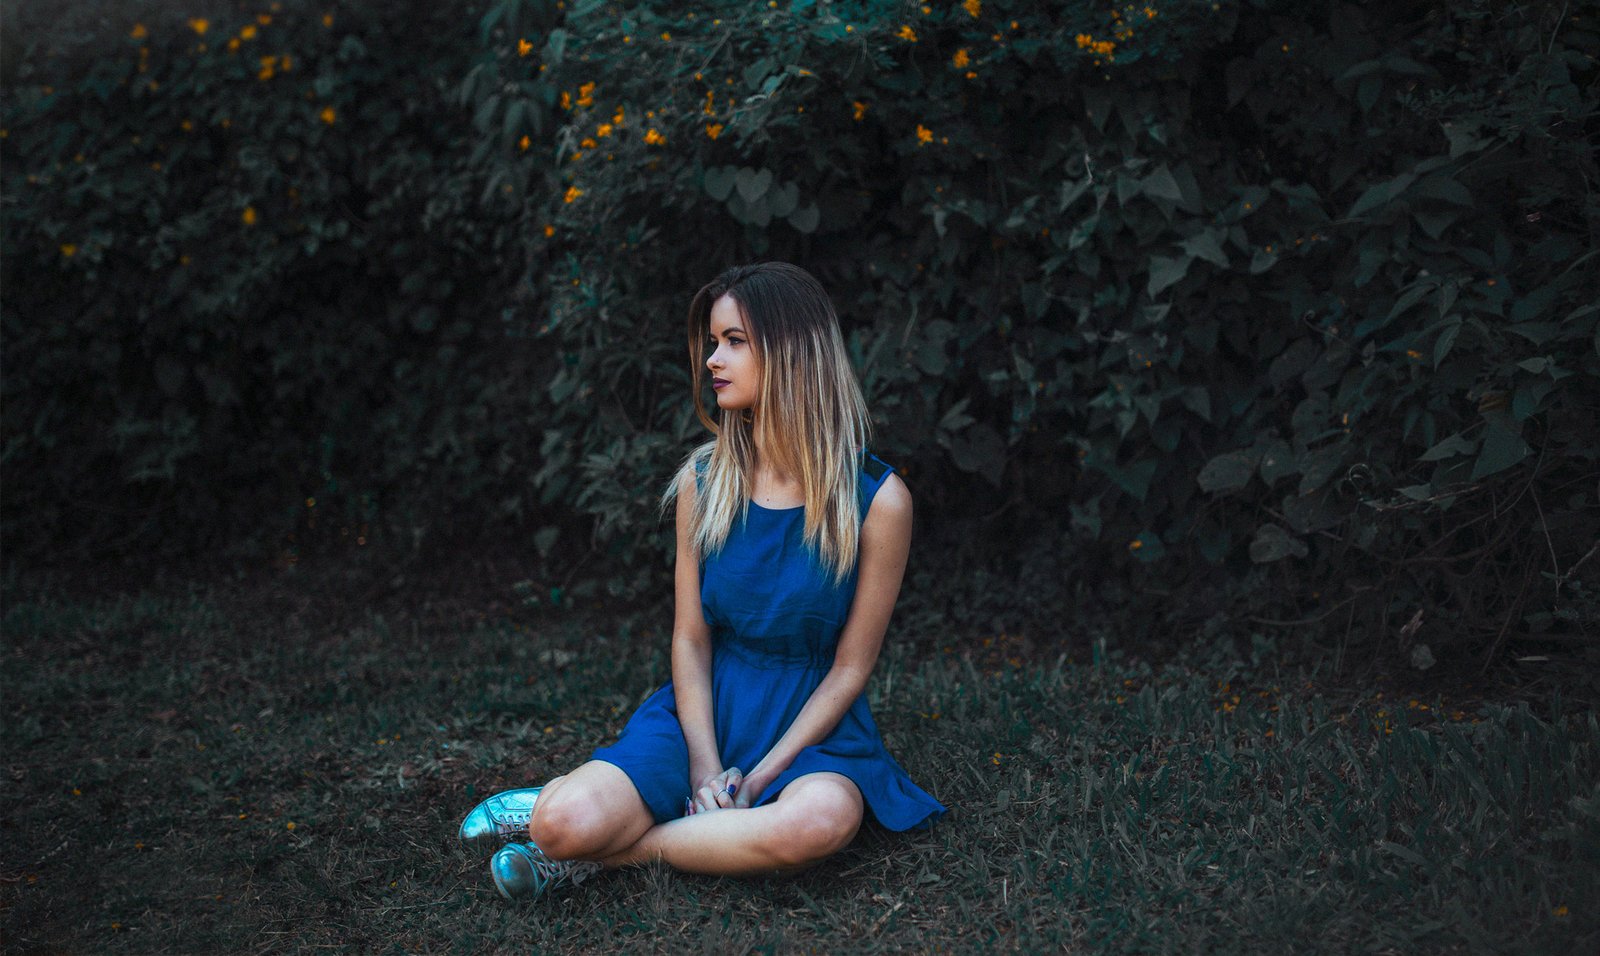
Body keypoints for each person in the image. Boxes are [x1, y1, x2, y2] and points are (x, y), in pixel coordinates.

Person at [457, 261, 946, 901]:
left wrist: (759, 778)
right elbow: (690, 638)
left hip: (812, 728)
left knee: (820, 823)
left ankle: (602, 857)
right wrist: (704, 766)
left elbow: (851, 668)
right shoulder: (704, 482)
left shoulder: (878, 501)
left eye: (734, 341)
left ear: (792, 352)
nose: (713, 359)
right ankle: (568, 824)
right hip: (706, 709)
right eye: (714, 342)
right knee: (561, 822)